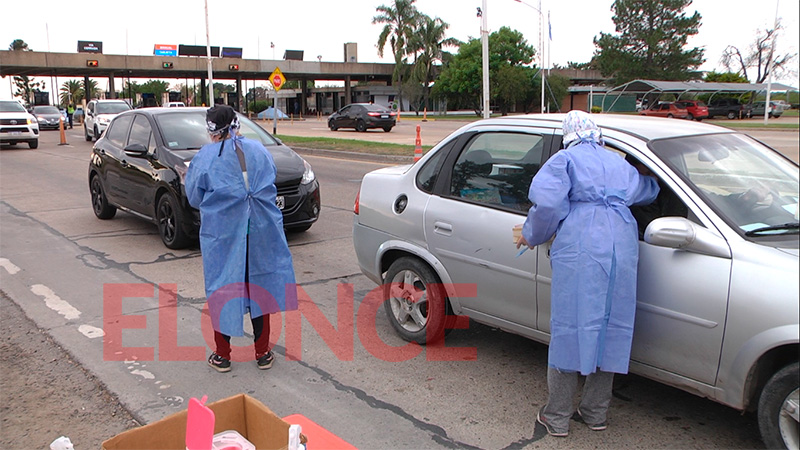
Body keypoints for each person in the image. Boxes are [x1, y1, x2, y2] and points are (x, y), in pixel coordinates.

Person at [516, 110, 659, 437]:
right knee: (611, 326)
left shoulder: (563, 161)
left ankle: (557, 417)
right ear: (597, 133)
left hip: (582, 246)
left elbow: (548, 206)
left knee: (570, 325)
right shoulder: (619, 163)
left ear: (569, 135)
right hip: (621, 243)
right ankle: (595, 413)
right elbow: (648, 190)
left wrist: (530, 234)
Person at [185, 105, 298, 373]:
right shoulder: (258, 149)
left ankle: (222, 355)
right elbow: (271, 179)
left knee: (223, 287)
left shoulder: (206, 157)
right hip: (260, 229)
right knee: (260, 284)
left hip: (223, 233)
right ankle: (263, 353)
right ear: (237, 124)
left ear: (211, 129)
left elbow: (194, 196)